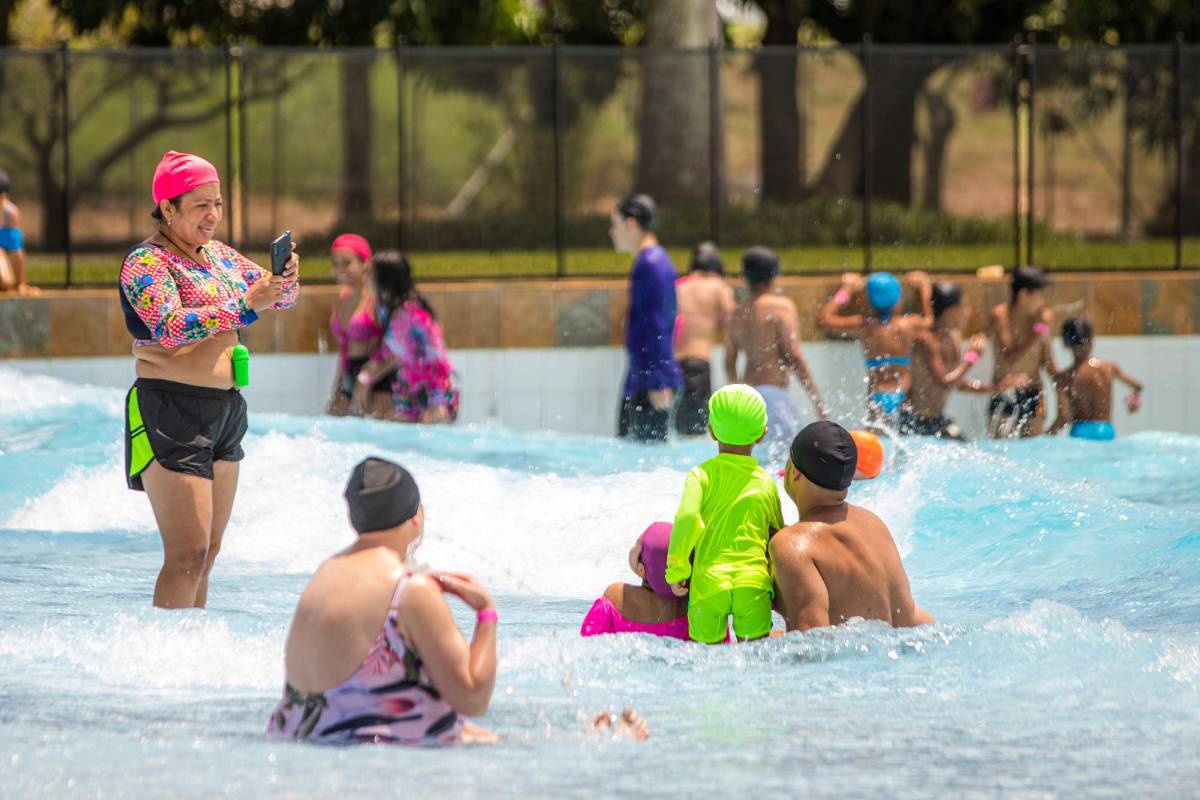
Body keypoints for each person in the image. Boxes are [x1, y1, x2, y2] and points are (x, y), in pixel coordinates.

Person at [269, 457, 649, 745]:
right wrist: (486, 613)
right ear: (414, 518)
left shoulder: (325, 574)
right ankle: (604, 745)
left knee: (480, 736)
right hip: (380, 766)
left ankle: (582, 742)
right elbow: (473, 698)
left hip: (315, 744)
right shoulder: (409, 590)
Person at [119, 150, 299, 609]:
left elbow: (282, 299)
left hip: (225, 412)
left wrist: (285, 279)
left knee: (209, 553)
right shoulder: (145, 263)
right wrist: (246, 305)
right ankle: (164, 646)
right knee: (187, 555)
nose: (213, 215)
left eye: (217, 203)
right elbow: (170, 328)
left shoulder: (219, 257)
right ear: (168, 208)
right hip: (170, 409)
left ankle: (192, 644)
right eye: (201, 205)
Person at [771, 422, 934, 632]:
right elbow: (908, 617)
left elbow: (810, 643)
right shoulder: (873, 523)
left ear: (794, 472)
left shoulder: (793, 545)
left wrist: (761, 638)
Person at [665, 385, 784, 643]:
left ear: (710, 431)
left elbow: (687, 519)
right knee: (756, 655)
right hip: (753, 584)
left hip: (709, 584)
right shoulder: (766, 483)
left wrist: (677, 570)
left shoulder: (700, 476)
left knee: (706, 659)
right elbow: (777, 537)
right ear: (762, 435)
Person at [724, 247, 826, 461]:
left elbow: (729, 361)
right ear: (773, 276)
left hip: (748, 399)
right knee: (792, 462)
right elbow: (794, 355)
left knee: (754, 461)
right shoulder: (781, 307)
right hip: (773, 396)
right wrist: (817, 401)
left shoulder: (735, 313)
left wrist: (737, 399)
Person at [352, 251, 459, 424]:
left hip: (434, 390)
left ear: (384, 280)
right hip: (413, 386)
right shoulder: (390, 309)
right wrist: (364, 380)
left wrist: (364, 380)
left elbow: (434, 358)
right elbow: (393, 353)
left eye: (369, 273)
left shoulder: (409, 314)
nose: (365, 278)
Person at [819, 271, 932, 432]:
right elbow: (929, 320)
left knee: (876, 440)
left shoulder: (865, 327)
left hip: (877, 397)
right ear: (898, 299)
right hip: (903, 393)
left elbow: (826, 319)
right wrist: (924, 288)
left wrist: (846, 290)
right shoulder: (908, 325)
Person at [610, 194, 681, 442]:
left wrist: (658, 379)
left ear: (630, 223)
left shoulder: (651, 263)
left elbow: (657, 322)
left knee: (644, 456)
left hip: (651, 379)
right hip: (644, 375)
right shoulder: (652, 260)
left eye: (615, 224)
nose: (611, 232)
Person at [902, 281, 995, 441]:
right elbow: (944, 382)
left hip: (936, 419)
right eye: (964, 306)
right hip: (914, 421)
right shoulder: (926, 340)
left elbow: (955, 382)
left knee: (966, 449)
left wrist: (997, 388)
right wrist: (972, 357)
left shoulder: (953, 338)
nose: (968, 311)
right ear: (951, 312)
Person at [580, 522, 691, 640]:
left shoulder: (617, 596)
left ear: (641, 569)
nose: (633, 548)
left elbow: (587, 638)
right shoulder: (688, 609)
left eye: (637, 546)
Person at [326, 234, 391, 418]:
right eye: (335, 263)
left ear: (365, 264)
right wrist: (337, 386)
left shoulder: (376, 301)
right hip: (350, 374)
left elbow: (392, 346)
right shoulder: (343, 299)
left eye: (346, 263)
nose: (339, 269)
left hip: (378, 378)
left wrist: (368, 378)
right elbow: (344, 348)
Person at [674, 242, 735, 436]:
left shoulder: (678, 287)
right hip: (697, 365)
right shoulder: (717, 287)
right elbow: (733, 323)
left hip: (671, 367)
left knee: (675, 430)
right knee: (695, 433)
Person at [987, 266, 1056, 438]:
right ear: (1023, 295)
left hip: (1033, 392)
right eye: (1040, 295)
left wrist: (1062, 390)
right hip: (1004, 390)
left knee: (1033, 448)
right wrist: (1037, 331)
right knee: (1000, 446)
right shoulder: (1001, 315)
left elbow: (1047, 361)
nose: (1044, 300)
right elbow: (1010, 356)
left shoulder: (1041, 318)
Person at [1048, 318, 1143, 441]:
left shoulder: (1064, 377)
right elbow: (1138, 386)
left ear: (1065, 344)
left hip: (1080, 432)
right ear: (1092, 340)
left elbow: (1064, 416)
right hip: (1106, 431)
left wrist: (1044, 438)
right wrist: (1134, 401)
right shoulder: (1108, 368)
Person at [0, 169, 38, 295]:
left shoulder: (11, 214)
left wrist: (22, 283)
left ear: (5, 196)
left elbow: (16, 249)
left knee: (5, 282)